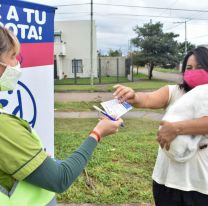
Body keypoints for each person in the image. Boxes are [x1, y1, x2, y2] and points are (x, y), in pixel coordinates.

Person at [0, 26, 123, 206]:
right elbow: (60, 178)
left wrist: (35, 158)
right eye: (12, 56)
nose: (17, 63)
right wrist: (97, 133)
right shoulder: (3, 127)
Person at [113, 46, 208, 206]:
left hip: (199, 183)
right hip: (166, 180)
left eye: (199, 68)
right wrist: (133, 96)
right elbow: (148, 98)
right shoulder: (175, 92)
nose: (193, 71)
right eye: (189, 68)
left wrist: (177, 128)